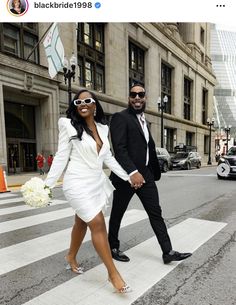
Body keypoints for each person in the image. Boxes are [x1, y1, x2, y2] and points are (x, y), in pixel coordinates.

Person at [44, 89, 131, 293]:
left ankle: (71, 256)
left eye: (87, 100)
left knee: (81, 222)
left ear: (94, 105)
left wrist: (128, 176)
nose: (82, 104)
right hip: (76, 183)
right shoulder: (68, 125)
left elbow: (107, 158)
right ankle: (113, 274)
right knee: (98, 223)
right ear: (76, 106)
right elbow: (61, 157)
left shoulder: (102, 128)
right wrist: (47, 185)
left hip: (94, 183)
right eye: (78, 102)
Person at [108, 83, 192, 264]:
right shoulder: (120, 118)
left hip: (146, 175)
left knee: (156, 212)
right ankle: (112, 246)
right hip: (125, 176)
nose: (137, 97)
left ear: (145, 97)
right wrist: (133, 172)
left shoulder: (144, 120)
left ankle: (167, 251)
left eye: (141, 94)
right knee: (118, 213)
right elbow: (119, 149)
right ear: (129, 98)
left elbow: (147, 148)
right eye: (133, 94)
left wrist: (149, 172)